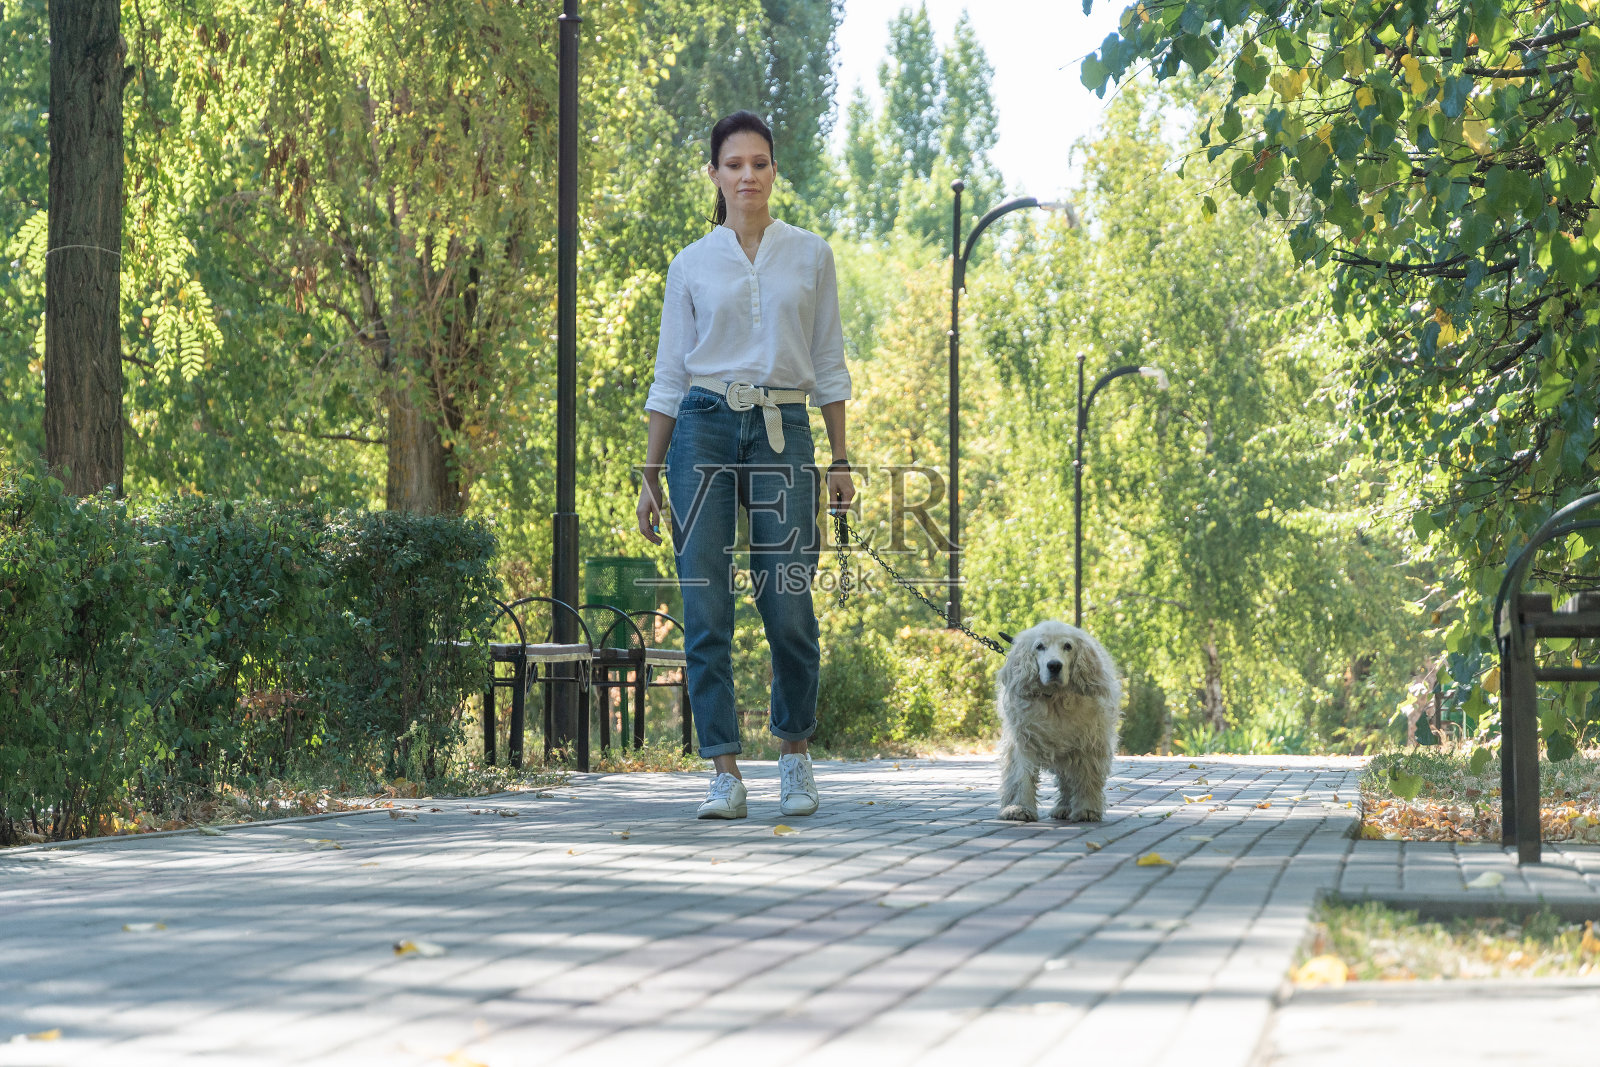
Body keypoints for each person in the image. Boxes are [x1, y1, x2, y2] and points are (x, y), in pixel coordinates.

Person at [636, 110, 854, 820]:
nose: (748, 175)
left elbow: (828, 363)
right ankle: (723, 769)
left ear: (773, 171)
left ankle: (794, 755)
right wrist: (650, 470)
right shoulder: (691, 263)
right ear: (715, 174)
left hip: (783, 428)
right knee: (706, 602)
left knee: (787, 594)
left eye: (759, 162)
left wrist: (843, 459)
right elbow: (670, 373)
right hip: (700, 429)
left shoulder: (811, 254)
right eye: (734, 164)